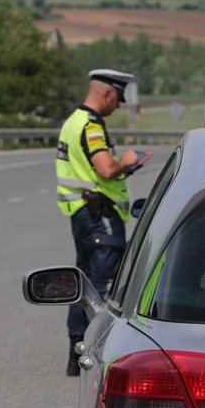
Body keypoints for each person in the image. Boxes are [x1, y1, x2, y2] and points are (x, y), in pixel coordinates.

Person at [55, 69, 140, 376]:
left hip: (82, 215)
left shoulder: (71, 122)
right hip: (100, 215)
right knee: (103, 288)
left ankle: (76, 350)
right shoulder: (91, 126)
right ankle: (97, 353)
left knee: (87, 284)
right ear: (106, 94)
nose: (117, 106)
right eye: (117, 98)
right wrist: (127, 163)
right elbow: (105, 169)